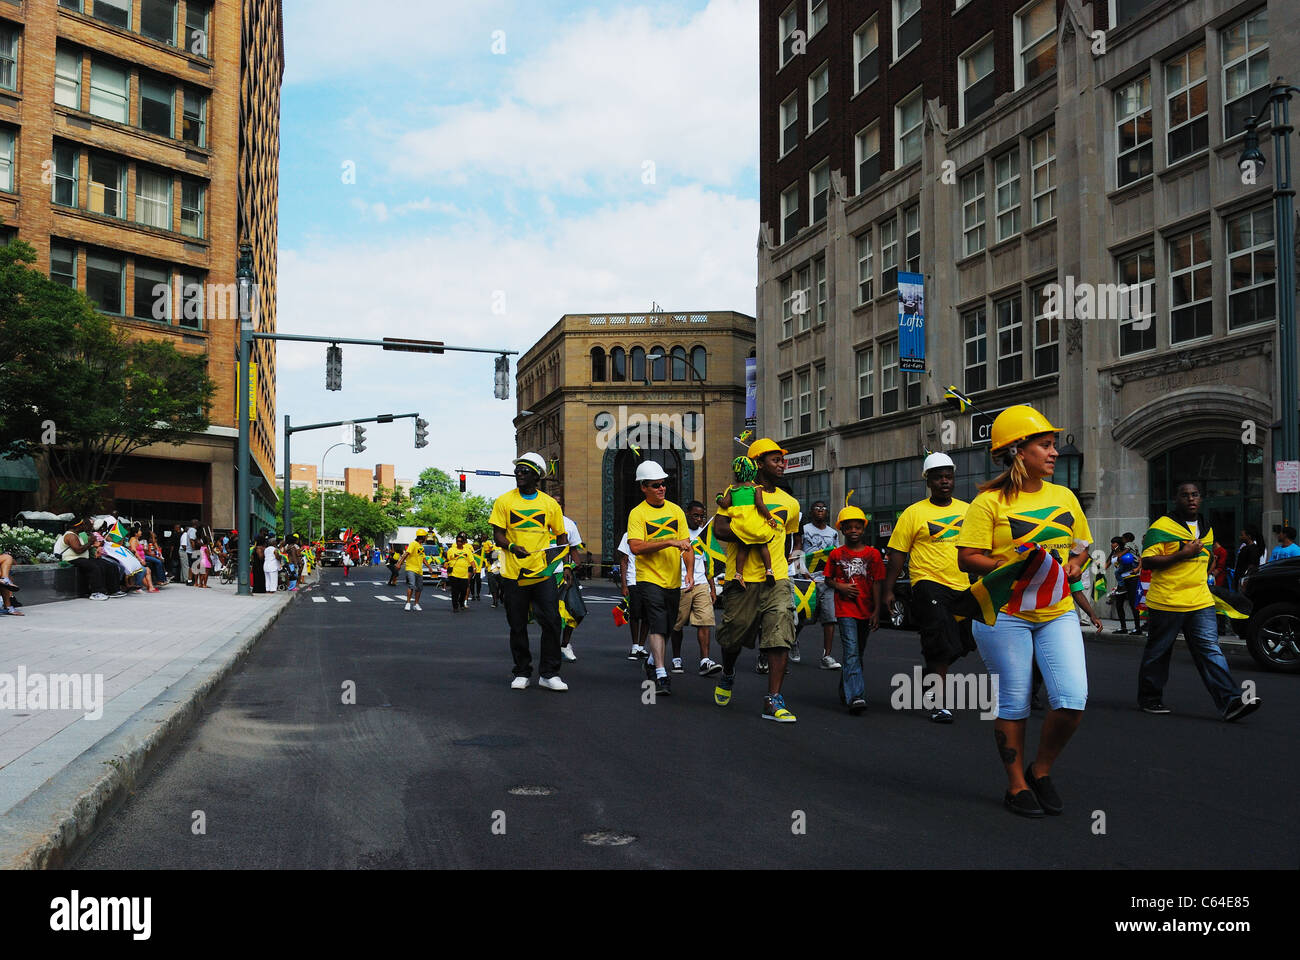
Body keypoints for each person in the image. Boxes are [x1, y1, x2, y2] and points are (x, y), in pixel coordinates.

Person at [955, 406, 1093, 818]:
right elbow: (967, 559)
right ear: (1018, 451)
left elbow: (1081, 546)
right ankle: (1016, 785)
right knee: (1014, 702)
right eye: (1045, 445)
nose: (1054, 453)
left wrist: (1074, 566)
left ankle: (1040, 770)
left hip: (1056, 609)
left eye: (1053, 445)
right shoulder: (988, 503)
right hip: (1005, 613)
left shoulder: (1064, 496)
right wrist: (1013, 566)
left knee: (1072, 700)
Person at [1137, 481, 1262, 722]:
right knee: (1158, 653)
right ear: (1177, 499)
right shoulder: (1161, 526)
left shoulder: (1207, 528)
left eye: (1195, 495)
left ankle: (1231, 701)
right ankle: (1150, 698)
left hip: (1200, 600)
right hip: (1167, 602)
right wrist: (1182, 554)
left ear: (1201, 498)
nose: (1191, 499)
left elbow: (1205, 560)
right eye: (1185, 495)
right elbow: (1149, 561)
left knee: (1210, 650)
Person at [711, 438, 802, 722]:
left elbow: (791, 534)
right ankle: (728, 672)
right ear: (758, 464)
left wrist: (791, 555)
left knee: (780, 635)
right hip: (741, 580)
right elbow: (719, 530)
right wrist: (751, 533)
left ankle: (773, 699)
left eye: (782, 459)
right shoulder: (736, 492)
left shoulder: (790, 503)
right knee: (733, 636)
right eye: (775, 460)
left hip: (777, 578)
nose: (781, 464)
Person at [883, 452, 975, 723]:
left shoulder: (968, 510)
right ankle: (938, 701)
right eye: (938, 477)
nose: (945, 481)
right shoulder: (914, 513)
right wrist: (889, 590)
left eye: (949, 476)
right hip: (927, 583)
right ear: (928, 481)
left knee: (963, 643)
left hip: (962, 585)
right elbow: (897, 553)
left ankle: (931, 672)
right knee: (940, 639)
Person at [490, 452, 569, 691]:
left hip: (543, 573)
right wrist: (512, 546)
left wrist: (564, 565)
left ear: (537, 475)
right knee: (517, 624)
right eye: (518, 470)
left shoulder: (549, 504)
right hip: (514, 574)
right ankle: (522, 671)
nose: (519, 474)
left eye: (524, 471)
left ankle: (549, 674)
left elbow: (561, 536)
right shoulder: (504, 501)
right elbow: (498, 535)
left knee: (553, 622)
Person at [626, 461, 692, 697]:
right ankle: (662, 673)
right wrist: (669, 541)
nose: (662, 488)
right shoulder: (638, 513)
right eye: (656, 485)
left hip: (673, 579)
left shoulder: (676, 511)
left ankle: (653, 660)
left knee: (668, 625)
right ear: (643, 487)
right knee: (656, 621)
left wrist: (690, 573)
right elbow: (635, 547)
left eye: (664, 484)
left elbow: (687, 547)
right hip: (648, 578)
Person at [826, 507, 885, 714]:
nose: (853, 530)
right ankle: (856, 696)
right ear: (841, 529)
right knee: (851, 651)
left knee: (857, 653)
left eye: (857, 527)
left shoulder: (873, 554)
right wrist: (840, 586)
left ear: (863, 529)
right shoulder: (836, 554)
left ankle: (845, 690)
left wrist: (877, 610)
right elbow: (828, 579)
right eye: (848, 527)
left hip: (866, 609)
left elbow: (878, 582)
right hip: (845, 610)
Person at [669, 500, 722, 676]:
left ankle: (705, 661)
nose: (699, 519)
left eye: (701, 516)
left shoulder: (704, 535)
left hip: (700, 583)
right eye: (695, 515)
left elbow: (709, 564)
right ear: (687, 514)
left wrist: (712, 588)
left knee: (705, 622)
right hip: (680, 584)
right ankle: (676, 658)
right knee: (677, 624)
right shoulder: (677, 533)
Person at [714, 456, 780, 586]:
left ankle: (738, 575)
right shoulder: (755, 488)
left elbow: (725, 504)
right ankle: (769, 571)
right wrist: (770, 518)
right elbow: (760, 505)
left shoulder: (733, 489)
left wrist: (718, 497)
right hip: (754, 523)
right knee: (763, 545)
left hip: (740, 525)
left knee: (743, 548)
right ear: (752, 472)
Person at [799, 500, 843, 670]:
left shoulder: (833, 533)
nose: (820, 511)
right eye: (817, 508)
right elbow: (798, 551)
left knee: (830, 618)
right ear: (811, 511)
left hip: (826, 581)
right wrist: (803, 573)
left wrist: (836, 576)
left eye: (823, 508)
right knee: (803, 617)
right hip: (807, 581)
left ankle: (827, 656)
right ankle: (793, 641)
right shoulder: (805, 530)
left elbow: (836, 555)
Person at [618, 530, 648, 659]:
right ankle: (635, 646)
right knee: (635, 614)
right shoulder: (628, 534)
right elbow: (624, 561)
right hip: (634, 579)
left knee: (647, 615)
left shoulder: (655, 533)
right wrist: (624, 584)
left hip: (651, 580)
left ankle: (641, 646)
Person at [560, 515, 585, 661]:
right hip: (545, 574)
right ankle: (550, 648)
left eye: (559, 503)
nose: (556, 505)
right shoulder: (541, 519)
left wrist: (576, 564)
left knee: (576, 610)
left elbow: (573, 548)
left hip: (565, 573)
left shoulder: (569, 524)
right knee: (551, 615)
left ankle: (565, 644)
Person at [1105, 535, 1143, 635]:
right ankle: (1123, 627)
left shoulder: (1128, 551)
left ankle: (1137, 628)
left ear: (1119, 544)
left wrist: (1138, 568)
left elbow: (1139, 559)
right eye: (1111, 543)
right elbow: (1106, 565)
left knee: (1132, 603)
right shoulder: (1113, 554)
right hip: (1122, 582)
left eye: (1114, 543)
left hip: (1131, 579)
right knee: (1119, 603)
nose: (1112, 545)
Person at [402, 530, 432, 611]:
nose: (426, 538)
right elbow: (406, 554)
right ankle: (408, 603)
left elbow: (423, 558)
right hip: (411, 568)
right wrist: (399, 563)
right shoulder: (413, 544)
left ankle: (416, 604)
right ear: (422, 537)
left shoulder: (421, 546)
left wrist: (429, 567)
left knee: (419, 588)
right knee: (411, 585)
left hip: (419, 570)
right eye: (425, 537)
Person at [446, 532, 477, 612]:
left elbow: (472, 560)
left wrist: (474, 568)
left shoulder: (467, 550)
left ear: (463, 542)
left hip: (464, 574)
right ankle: (455, 607)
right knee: (455, 591)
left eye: (460, 541)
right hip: (454, 574)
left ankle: (461, 602)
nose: (459, 543)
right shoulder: (451, 549)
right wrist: (454, 556)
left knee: (463, 590)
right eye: (457, 541)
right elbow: (448, 559)